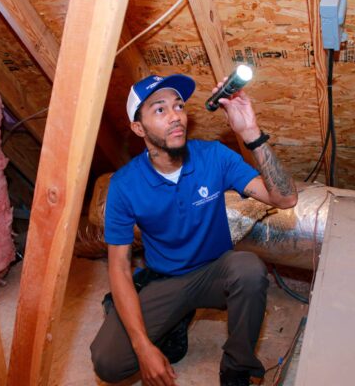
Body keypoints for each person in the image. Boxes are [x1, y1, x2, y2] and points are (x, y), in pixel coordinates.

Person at [90, 73, 298, 386]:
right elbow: (118, 268)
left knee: (249, 269)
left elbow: (286, 198)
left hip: (216, 271)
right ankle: (155, 314)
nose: (175, 117)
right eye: (160, 110)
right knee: (108, 362)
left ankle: (236, 367)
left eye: (178, 106)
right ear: (138, 127)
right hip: (166, 280)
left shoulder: (213, 156)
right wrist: (142, 345)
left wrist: (251, 132)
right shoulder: (124, 185)